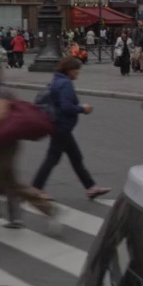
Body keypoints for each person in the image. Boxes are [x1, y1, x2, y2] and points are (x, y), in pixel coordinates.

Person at [0, 61, 57, 236]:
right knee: (12, 185)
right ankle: (49, 209)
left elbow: (1, 112)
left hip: (4, 144)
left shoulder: (0, 90)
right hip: (7, 142)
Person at [30, 57, 109, 199]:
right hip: (62, 126)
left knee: (76, 157)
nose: (78, 73)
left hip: (58, 125)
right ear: (70, 70)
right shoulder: (65, 83)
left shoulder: (57, 80)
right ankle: (36, 188)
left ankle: (90, 187)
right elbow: (66, 107)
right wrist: (82, 108)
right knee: (53, 158)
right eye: (77, 70)